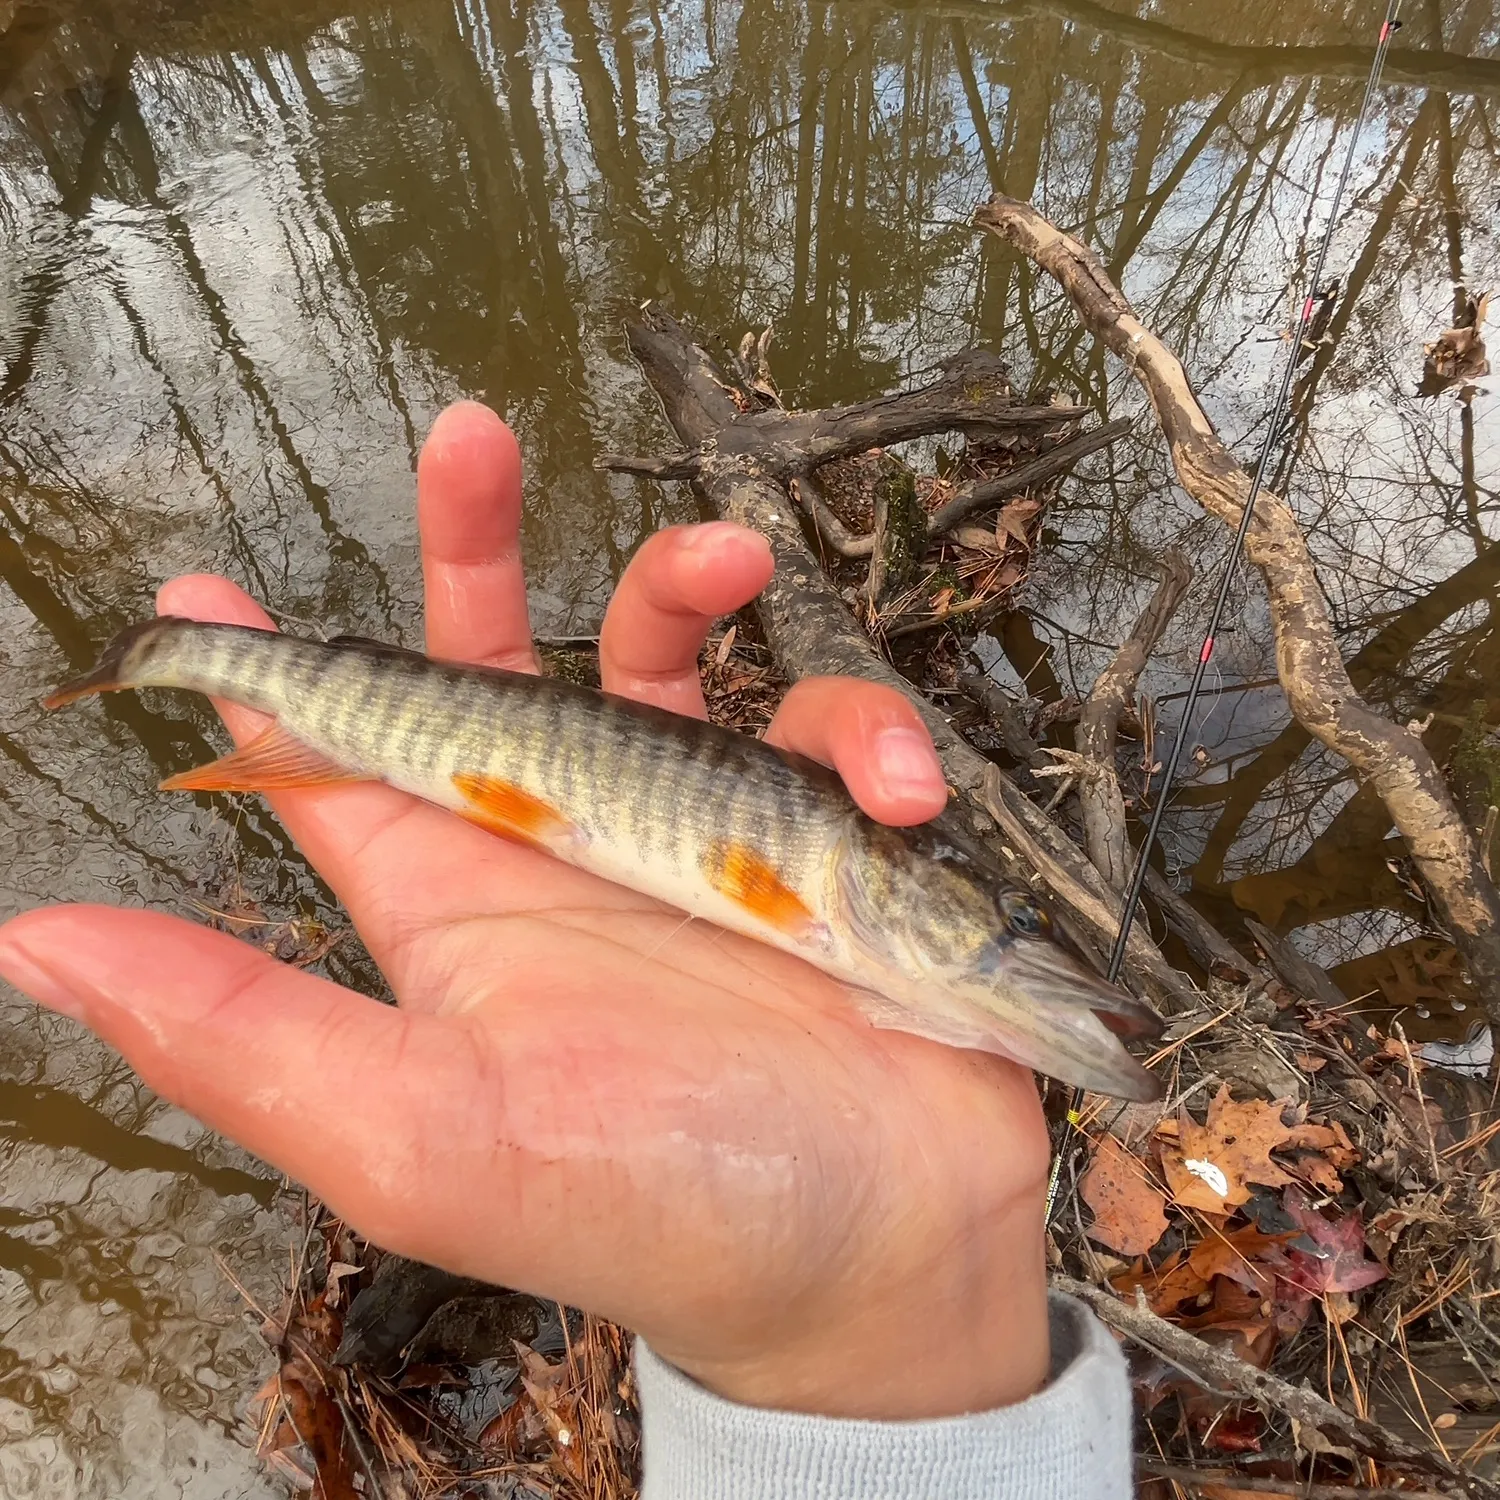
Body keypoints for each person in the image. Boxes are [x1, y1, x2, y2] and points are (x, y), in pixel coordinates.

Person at [0, 403, 1132, 1497]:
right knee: (247, 666)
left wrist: (874, 1308)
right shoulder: (828, 883)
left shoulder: (851, 924)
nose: (1012, 952)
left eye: (1007, 928)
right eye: (1008, 928)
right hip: (410, 730)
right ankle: (155, 654)